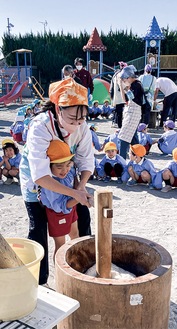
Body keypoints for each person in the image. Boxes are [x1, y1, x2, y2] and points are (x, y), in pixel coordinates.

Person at [19, 77, 94, 285]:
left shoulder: (82, 126)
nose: (76, 125)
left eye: (81, 120)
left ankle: (85, 270)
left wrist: (79, 188)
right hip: (36, 185)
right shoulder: (40, 126)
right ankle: (39, 281)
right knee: (39, 229)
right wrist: (74, 194)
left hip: (68, 178)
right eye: (71, 119)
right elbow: (40, 175)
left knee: (83, 218)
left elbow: (86, 160)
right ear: (58, 109)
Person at [40, 140, 80, 261]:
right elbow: (59, 206)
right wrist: (79, 197)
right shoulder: (49, 183)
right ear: (49, 166)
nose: (65, 170)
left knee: (75, 235)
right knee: (60, 244)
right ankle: (59, 271)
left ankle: (77, 261)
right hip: (57, 214)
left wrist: (79, 189)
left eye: (68, 165)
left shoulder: (69, 171)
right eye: (59, 167)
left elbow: (73, 176)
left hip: (71, 207)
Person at [118, 65, 144, 159]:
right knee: (133, 138)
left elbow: (131, 97)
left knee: (123, 137)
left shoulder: (136, 85)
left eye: (125, 78)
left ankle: (122, 160)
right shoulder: (134, 85)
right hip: (132, 111)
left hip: (133, 112)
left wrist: (125, 88)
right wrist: (122, 86)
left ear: (129, 77)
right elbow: (125, 99)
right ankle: (139, 158)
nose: (124, 80)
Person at [109, 61, 127, 128]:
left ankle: (117, 123)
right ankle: (120, 125)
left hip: (117, 96)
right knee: (121, 112)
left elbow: (112, 86)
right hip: (123, 95)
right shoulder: (122, 75)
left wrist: (111, 94)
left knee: (118, 111)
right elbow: (124, 86)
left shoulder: (115, 74)